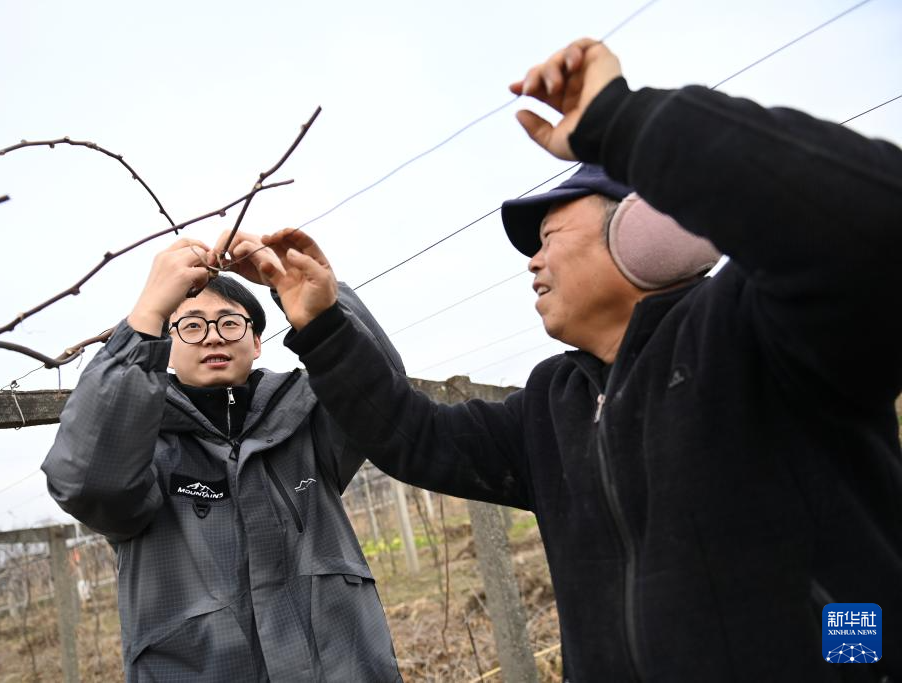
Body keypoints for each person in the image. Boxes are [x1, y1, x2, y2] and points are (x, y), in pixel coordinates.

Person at [237, 39, 902, 682]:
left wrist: (624, 121)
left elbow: (872, 220)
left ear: (645, 230)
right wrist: (322, 324)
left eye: (548, 235)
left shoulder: (762, 328)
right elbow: (415, 436)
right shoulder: (555, 402)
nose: (532, 261)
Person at [41, 234, 403, 682]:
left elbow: (384, 397)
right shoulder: (141, 448)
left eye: (230, 323)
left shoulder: (307, 423)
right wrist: (145, 316)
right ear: (167, 344)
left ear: (257, 342)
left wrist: (320, 306)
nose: (213, 336)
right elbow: (87, 483)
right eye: (192, 326)